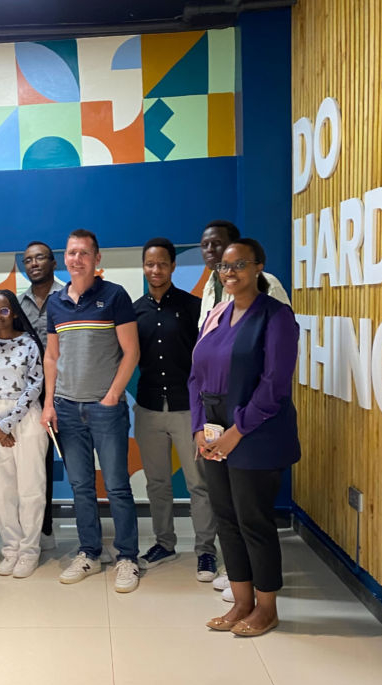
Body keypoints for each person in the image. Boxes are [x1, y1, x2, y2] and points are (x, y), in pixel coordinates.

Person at [189, 238, 300, 637]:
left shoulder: (276, 317)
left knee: (254, 520)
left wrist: (236, 432)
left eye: (239, 265)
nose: (230, 273)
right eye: (224, 267)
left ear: (259, 268)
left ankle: (266, 608)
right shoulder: (216, 314)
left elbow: (274, 386)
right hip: (215, 433)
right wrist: (200, 427)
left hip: (255, 432)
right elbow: (195, 375)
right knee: (227, 519)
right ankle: (241, 602)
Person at [41, 229, 142, 593]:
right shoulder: (56, 303)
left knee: (116, 486)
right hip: (66, 409)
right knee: (81, 486)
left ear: (97, 259)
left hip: (105, 409)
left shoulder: (114, 295)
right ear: (64, 258)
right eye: (71, 253)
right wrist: (50, 403)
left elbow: (131, 351)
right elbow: (52, 356)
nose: (77, 259)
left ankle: (128, 556)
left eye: (84, 253)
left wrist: (113, 396)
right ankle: (89, 552)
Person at [133, 238, 218, 580]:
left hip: (188, 409)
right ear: (144, 267)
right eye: (150, 264)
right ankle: (164, 542)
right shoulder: (133, 312)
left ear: (173, 266)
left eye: (162, 264)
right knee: (157, 483)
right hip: (149, 407)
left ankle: (206, 551)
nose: (156, 270)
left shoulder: (194, 307)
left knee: (199, 483)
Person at [0, 290, 48, 579]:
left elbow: (35, 384)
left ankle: (29, 551)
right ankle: (11, 548)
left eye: (4, 311)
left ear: (14, 312)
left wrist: (7, 425)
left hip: (25, 419)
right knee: (2, 491)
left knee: (31, 489)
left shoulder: (29, 343)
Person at [18, 241, 65, 551]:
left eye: (39, 258)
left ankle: (88, 533)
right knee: (36, 461)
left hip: (66, 389)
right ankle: (41, 526)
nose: (33, 263)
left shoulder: (70, 296)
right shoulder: (16, 302)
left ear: (53, 263)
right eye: (27, 260)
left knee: (76, 459)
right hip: (30, 392)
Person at [198, 220, 289, 328]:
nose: (210, 249)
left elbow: (286, 334)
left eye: (217, 243)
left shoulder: (268, 284)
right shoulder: (210, 285)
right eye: (204, 245)